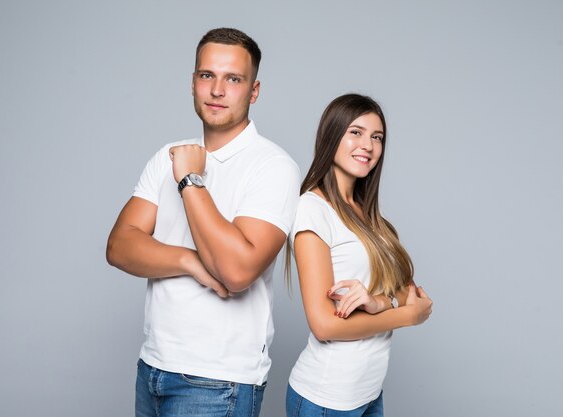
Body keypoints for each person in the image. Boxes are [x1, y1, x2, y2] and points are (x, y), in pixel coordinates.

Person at [106, 28, 300, 417]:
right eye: (206, 75)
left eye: (233, 78)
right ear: (192, 82)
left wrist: (190, 181)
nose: (217, 90)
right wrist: (190, 261)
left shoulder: (273, 167)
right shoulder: (168, 154)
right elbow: (119, 246)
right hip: (154, 366)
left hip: (218, 381)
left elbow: (235, 270)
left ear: (254, 91)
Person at [285, 94, 433, 417]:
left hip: (368, 393)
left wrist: (379, 302)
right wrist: (407, 316)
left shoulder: (369, 217)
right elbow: (324, 325)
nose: (368, 145)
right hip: (327, 399)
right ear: (331, 136)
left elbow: (406, 291)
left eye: (376, 137)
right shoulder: (312, 209)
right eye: (356, 132)